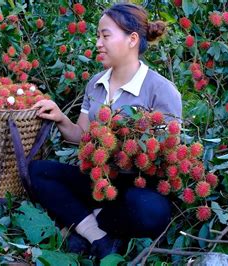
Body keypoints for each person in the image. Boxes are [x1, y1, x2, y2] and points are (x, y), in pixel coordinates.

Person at [30, 3, 182, 259]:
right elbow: (82, 136)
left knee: (151, 211)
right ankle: (99, 237)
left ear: (132, 39)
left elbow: (167, 154)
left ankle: (81, 221)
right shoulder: (96, 85)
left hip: (137, 183)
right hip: (99, 178)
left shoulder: (161, 90)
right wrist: (60, 117)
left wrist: (130, 144)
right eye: (98, 35)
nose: (98, 43)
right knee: (37, 172)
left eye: (105, 35)